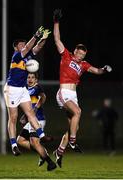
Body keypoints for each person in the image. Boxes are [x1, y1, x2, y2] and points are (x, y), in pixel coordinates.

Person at [53, 9, 112, 168]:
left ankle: (59, 152)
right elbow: (57, 39)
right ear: (75, 51)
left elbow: (97, 71)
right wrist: (56, 22)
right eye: (79, 54)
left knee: (74, 126)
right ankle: (72, 142)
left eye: (83, 55)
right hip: (63, 93)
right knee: (78, 112)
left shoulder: (84, 65)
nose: (80, 57)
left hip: (73, 95)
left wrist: (104, 69)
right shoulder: (66, 56)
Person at [3, 26, 51, 156]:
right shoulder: (17, 56)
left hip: (22, 89)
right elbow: (29, 47)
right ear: (16, 47)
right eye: (21, 44)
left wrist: (44, 38)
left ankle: (42, 135)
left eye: (24, 44)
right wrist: (36, 35)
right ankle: (13, 144)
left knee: (30, 113)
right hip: (12, 89)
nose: (24, 45)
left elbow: (37, 48)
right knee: (13, 117)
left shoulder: (28, 55)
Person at [17, 72, 57, 171]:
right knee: (20, 141)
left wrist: (35, 109)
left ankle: (50, 163)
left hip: (37, 120)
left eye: (32, 77)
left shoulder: (36, 87)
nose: (30, 79)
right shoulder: (25, 88)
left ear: (36, 80)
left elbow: (43, 97)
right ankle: (42, 152)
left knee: (34, 142)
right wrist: (25, 116)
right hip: (30, 120)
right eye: (28, 77)